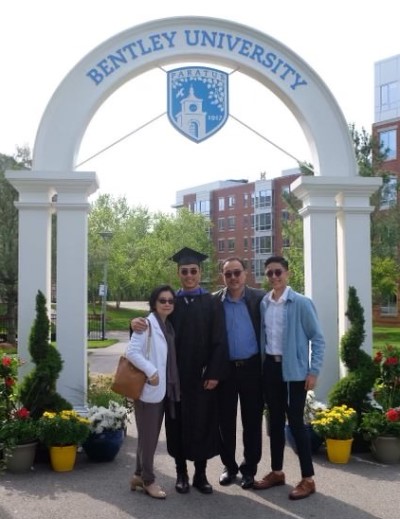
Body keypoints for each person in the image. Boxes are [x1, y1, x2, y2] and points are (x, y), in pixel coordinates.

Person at [131, 247, 228, 495]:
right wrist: (134, 325)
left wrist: (214, 373)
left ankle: (201, 474)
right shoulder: (171, 302)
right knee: (177, 426)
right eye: (184, 271)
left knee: (202, 424)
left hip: (202, 377)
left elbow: (220, 339)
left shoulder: (211, 302)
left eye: (193, 271)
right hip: (174, 379)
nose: (189, 275)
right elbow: (151, 326)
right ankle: (181, 474)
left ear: (200, 272)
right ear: (178, 273)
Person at [254, 255, 325, 500]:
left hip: (294, 371)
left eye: (278, 272)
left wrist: (313, 371)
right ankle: (277, 472)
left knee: (295, 422)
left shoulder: (301, 303)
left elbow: (318, 338)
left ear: (287, 273)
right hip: (271, 369)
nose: (274, 277)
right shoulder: (265, 303)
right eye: (270, 273)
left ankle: (308, 478)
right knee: (274, 422)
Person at [214, 257, 265, 489]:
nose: (233, 277)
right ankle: (229, 467)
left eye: (237, 272)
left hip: (252, 368)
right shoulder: (214, 301)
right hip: (225, 370)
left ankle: (249, 469)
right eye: (228, 274)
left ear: (246, 273)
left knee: (252, 421)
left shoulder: (260, 299)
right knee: (225, 421)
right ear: (222, 277)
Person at [127, 284, 179, 499]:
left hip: (161, 390)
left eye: (170, 301)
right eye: (162, 300)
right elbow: (131, 352)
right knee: (149, 439)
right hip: (150, 389)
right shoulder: (147, 325)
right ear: (154, 303)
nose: (167, 304)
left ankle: (139, 475)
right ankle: (148, 481)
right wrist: (151, 371)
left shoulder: (166, 326)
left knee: (147, 437)